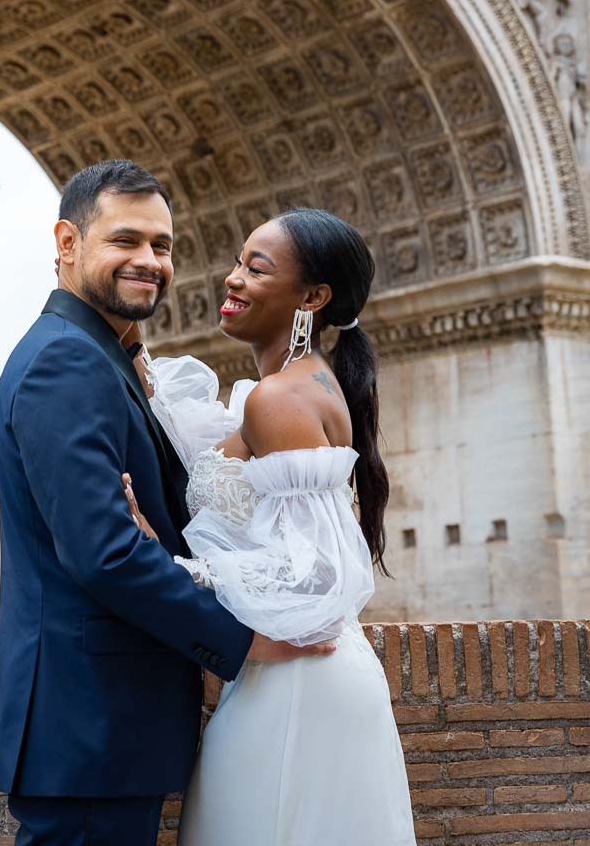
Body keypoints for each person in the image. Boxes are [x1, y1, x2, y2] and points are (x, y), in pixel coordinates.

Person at [0, 161, 334, 846]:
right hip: (90, 729)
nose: (149, 261)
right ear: (67, 243)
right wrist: (244, 641)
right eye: (126, 241)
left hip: (102, 730)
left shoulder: (101, 356)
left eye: (162, 246)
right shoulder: (67, 363)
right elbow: (104, 553)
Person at [125, 207, 417, 845]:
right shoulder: (300, 386)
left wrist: (167, 564)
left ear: (312, 297)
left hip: (298, 686)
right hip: (290, 678)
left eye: (256, 270)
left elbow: (316, 576)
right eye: (237, 261)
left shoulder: (280, 398)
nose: (231, 279)